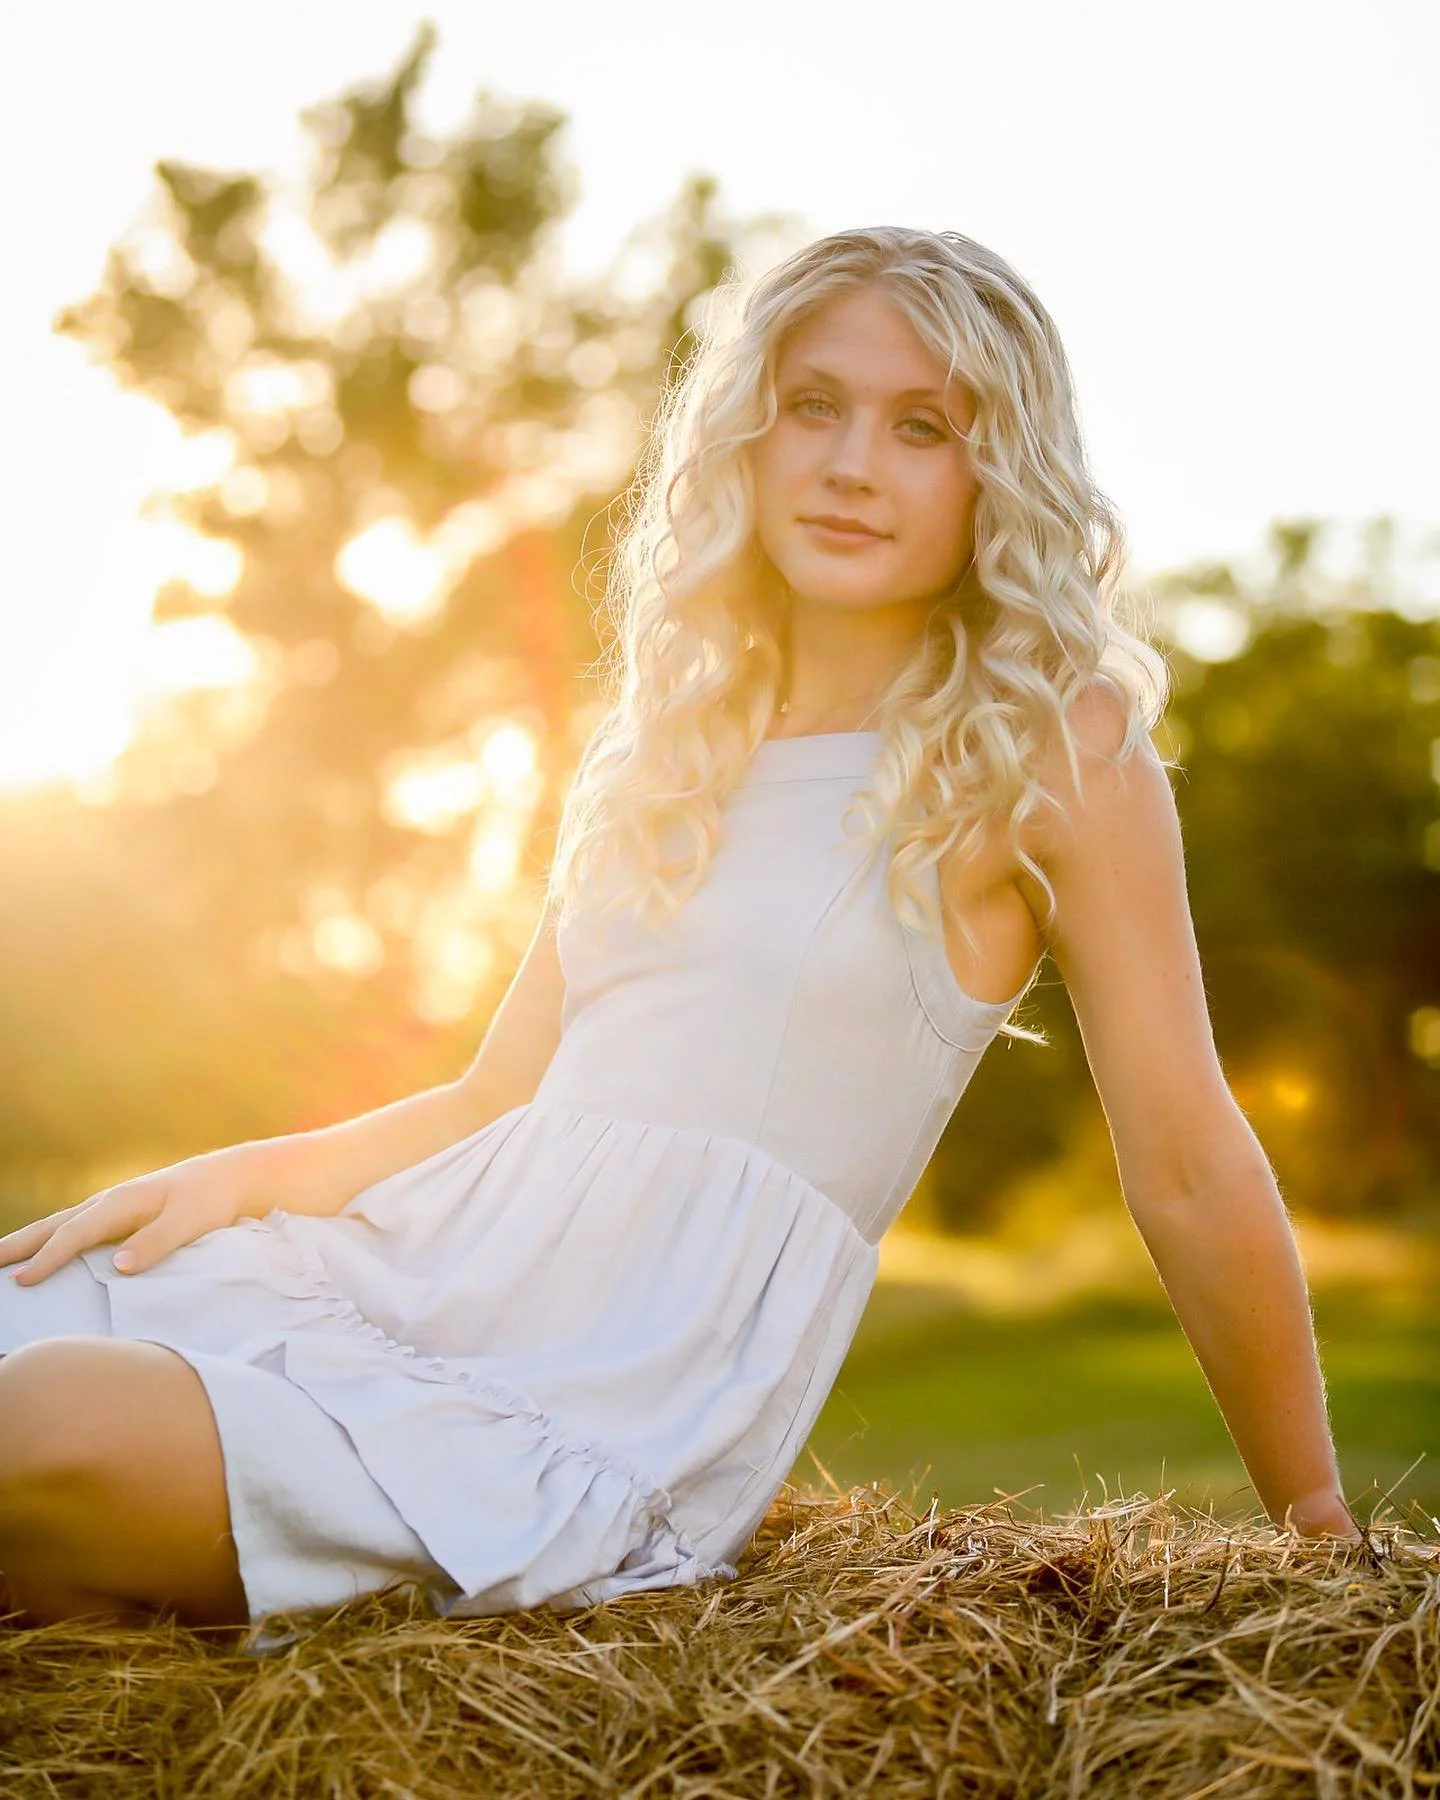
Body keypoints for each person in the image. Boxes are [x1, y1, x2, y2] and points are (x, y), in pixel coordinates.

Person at [0, 226, 1359, 1633]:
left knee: (40, 1426)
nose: (849, 464)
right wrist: (237, 1181)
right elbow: (492, 1095)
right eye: (813, 406)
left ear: (993, 474)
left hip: (582, 1408)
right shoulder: (663, 743)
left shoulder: (1050, 753)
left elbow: (1190, 1164)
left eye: (920, 428)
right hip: (404, 1285)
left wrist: (1316, 1530)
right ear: (749, 441)